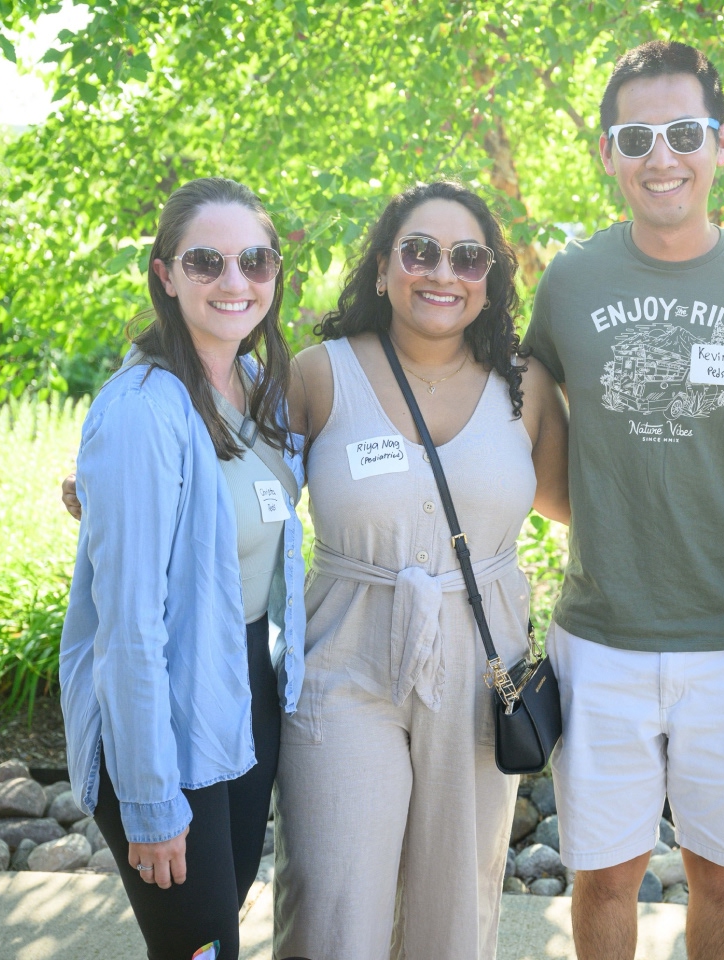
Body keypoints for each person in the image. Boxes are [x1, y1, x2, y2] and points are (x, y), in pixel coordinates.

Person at [522, 41, 724, 960]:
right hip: (601, 637)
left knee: (721, 871)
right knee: (603, 874)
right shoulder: (569, 283)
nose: (663, 156)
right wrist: (621, 519)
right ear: (608, 153)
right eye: (637, 135)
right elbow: (529, 445)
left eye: (684, 132)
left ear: (720, 144)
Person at [271, 179, 569, 960]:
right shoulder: (318, 374)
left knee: (456, 908)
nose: (444, 272)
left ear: (490, 279)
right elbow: (240, 485)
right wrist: (123, 491)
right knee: (333, 903)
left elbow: (592, 509)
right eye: (420, 251)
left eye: (468, 256)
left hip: (482, 665)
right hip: (344, 660)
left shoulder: (526, 387)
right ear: (381, 269)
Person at [58, 177, 306, 960]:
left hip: (244, 694)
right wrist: (151, 798)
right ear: (166, 274)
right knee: (200, 951)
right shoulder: (141, 411)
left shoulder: (259, 386)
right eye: (207, 262)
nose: (235, 282)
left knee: (217, 932)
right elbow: (128, 626)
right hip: (163, 712)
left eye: (255, 261)